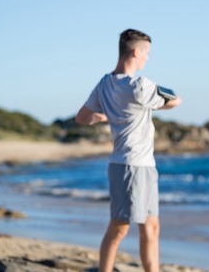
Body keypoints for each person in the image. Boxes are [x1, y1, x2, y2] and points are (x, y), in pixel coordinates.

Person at [75, 29, 181, 272]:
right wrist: (153, 103)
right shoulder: (141, 86)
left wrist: (103, 116)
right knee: (119, 227)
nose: (148, 58)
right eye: (147, 53)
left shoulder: (104, 83)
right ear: (135, 52)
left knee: (151, 227)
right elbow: (175, 100)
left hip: (139, 164)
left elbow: (81, 117)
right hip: (131, 165)